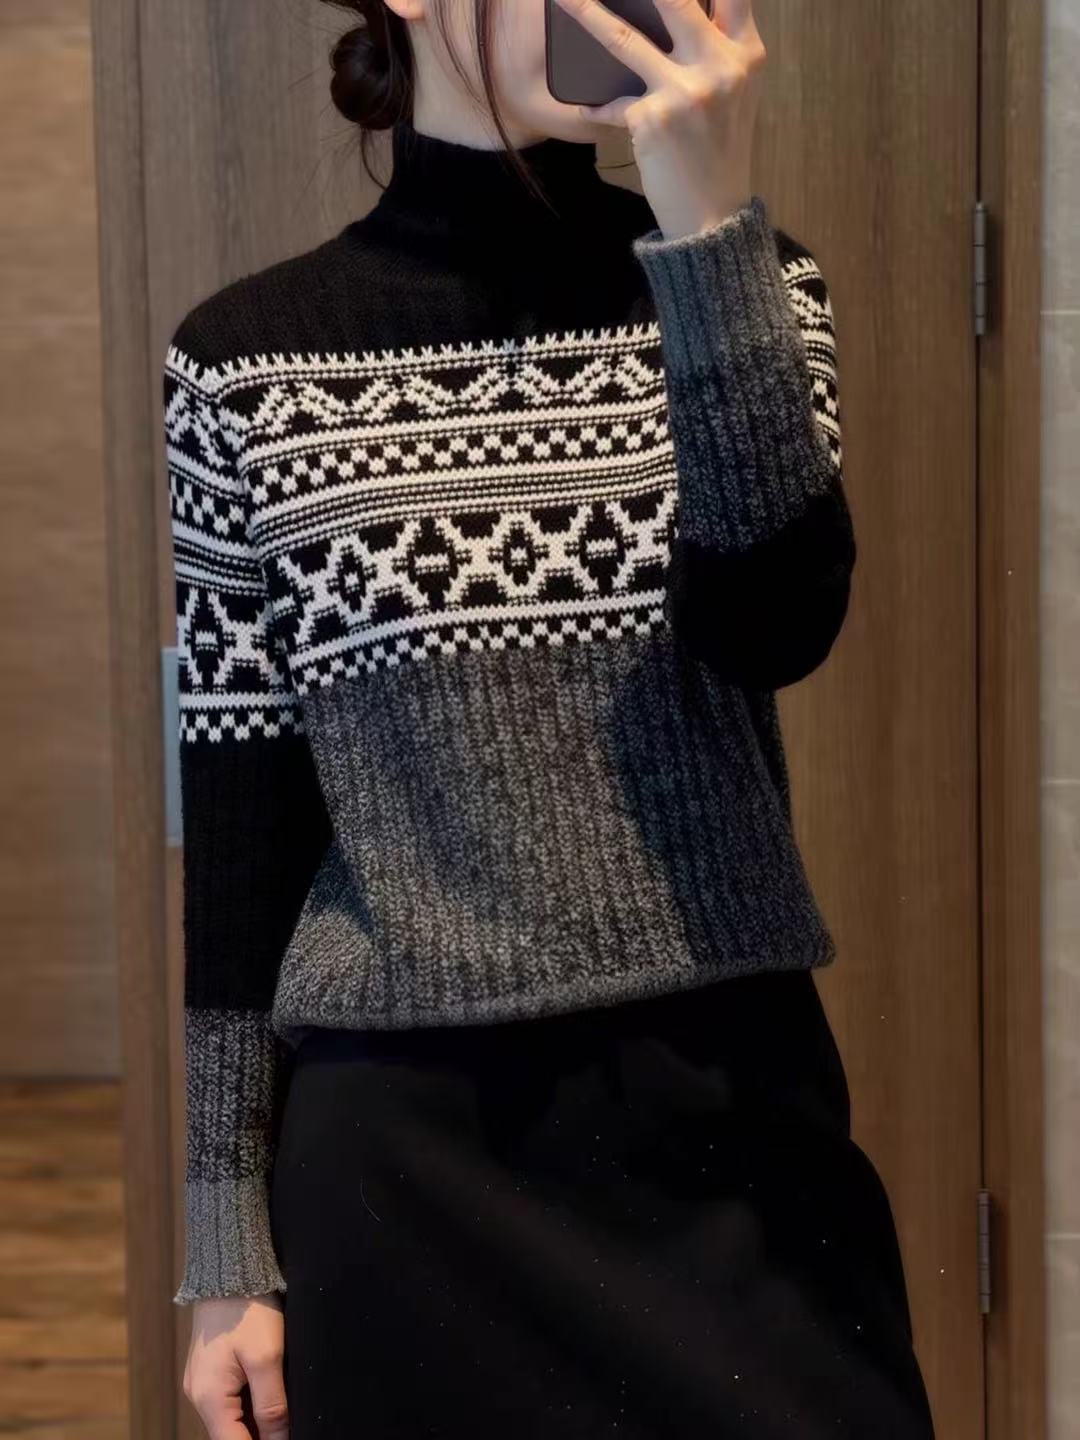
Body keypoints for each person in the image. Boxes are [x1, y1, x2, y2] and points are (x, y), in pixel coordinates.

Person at [166, 0, 937, 1435]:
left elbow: (776, 624)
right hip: (404, 1163)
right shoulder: (245, 361)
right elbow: (242, 829)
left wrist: (709, 238)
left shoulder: (753, 284)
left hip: (726, 1116)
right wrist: (226, 1253)